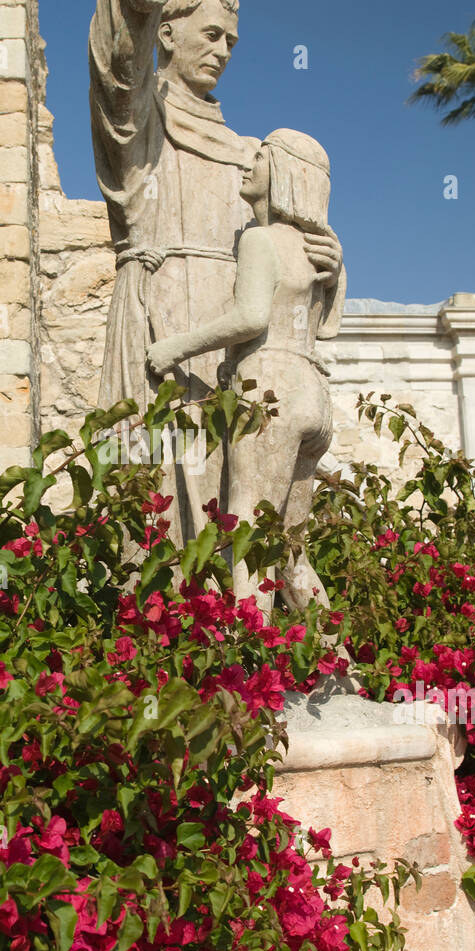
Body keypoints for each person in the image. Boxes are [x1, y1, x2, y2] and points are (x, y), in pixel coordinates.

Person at [90, 0, 342, 542]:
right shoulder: (143, 124)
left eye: (232, 41)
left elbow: (293, 261)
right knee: (157, 491)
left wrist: (329, 263)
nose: (224, 50)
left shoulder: (246, 153)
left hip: (232, 340)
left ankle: (239, 644)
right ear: (169, 35)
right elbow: (115, 67)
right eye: (209, 35)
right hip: (163, 314)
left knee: (234, 506)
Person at [148, 130, 346, 613]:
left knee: (245, 529)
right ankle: (338, 661)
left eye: (261, 155)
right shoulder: (320, 250)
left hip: (269, 385)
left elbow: (252, 318)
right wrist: (338, 277)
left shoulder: (261, 239)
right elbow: (328, 329)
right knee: (290, 545)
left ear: (284, 172)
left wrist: (175, 346)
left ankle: (246, 652)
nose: (248, 163)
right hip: (314, 392)